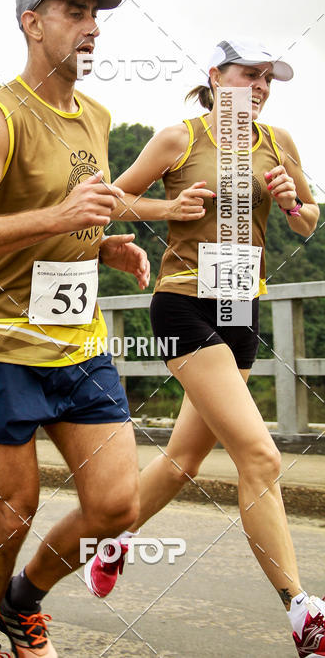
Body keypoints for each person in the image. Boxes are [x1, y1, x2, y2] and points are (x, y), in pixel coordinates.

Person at [0, 0, 151, 658]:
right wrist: (59, 214)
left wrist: (102, 244)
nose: (91, 27)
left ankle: (22, 601)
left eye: (97, 15)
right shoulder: (0, 117)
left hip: (77, 343)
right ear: (32, 23)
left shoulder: (97, 117)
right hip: (0, 347)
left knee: (118, 503)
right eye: (74, 12)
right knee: (11, 514)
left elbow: (68, 223)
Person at [83, 37, 324, 657]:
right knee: (262, 457)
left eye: (269, 78)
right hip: (182, 305)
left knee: (184, 461)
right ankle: (303, 612)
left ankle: (112, 539)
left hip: (241, 307)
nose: (262, 86)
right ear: (216, 76)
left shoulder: (280, 143)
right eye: (250, 74)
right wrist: (170, 206)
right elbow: (113, 200)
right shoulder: (179, 139)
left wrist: (293, 199)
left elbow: (308, 219)